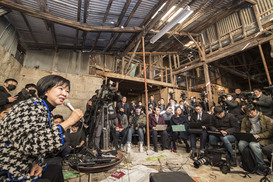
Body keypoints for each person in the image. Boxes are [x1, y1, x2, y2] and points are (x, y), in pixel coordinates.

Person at [0, 75, 83, 182]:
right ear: (46, 90)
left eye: (67, 91)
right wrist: (69, 122)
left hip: (25, 164)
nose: (65, 94)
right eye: (60, 89)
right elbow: (30, 144)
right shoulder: (32, 106)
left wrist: (36, 163)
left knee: (55, 170)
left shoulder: (43, 109)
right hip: (8, 168)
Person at [238, 104, 273, 174]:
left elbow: (269, 132)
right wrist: (245, 135)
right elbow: (243, 129)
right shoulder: (245, 119)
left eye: (251, 112)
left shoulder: (265, 119)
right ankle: (248, 161)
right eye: (248, 113)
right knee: (241, 144)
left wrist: (259, 135)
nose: (250, 114)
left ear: (255, 110)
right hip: (250, 136)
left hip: (262, 137)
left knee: (253, 145)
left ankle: (261, 165)